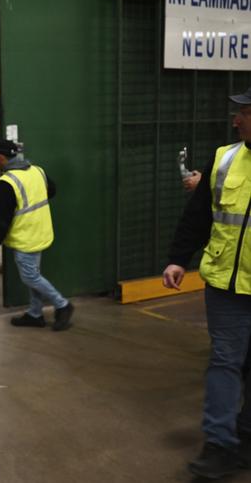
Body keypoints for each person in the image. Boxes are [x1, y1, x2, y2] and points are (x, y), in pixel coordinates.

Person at [163, 87, 251, 480]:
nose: (236, 120)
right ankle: (219, 444)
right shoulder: (225, 158)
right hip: (226, 288)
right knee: (225, 362)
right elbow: (200, 216)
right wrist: (178, 259)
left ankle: (244, 436)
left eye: (245, 112)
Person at [0, 139, 74, 331]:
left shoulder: (7, 183)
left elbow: (1, 218)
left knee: (30, 277)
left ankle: (62, 305)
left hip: (26, 236)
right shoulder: (37, 170)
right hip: (41, 231)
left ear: (1, 158)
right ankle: (35, 314)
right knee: (33, 274)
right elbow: (51, 190)